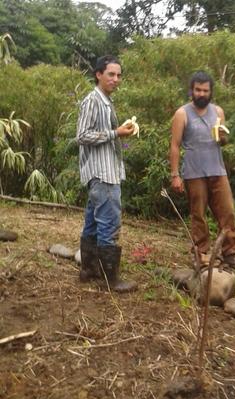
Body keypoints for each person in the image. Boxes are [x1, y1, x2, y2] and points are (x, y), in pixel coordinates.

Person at [169, 71, 235, 270]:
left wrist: (222, 137)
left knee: (227, 212)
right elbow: (175, 146)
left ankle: (230, 253)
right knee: (198, 215)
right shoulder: (182, 114)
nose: (201, 94)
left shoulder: (218, 112)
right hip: (194, 172)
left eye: (205, 90)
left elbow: (223, 141)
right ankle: (201, 254)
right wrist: (175, 175)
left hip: (217, 169)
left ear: (211, 92)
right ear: (191, 91)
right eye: (198, 90)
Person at [76, 55, 136, 292]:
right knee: (109, 223)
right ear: (98, 74)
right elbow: (82, 136)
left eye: (119, 75)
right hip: (102, 173)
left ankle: (89, 269)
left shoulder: (105, 101)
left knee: (93, 222)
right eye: (111, 74)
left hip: (103, 170)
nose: (116, 79)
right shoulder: (93, 100)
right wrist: (115, 133)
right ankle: (110, 280)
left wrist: (117, 132)